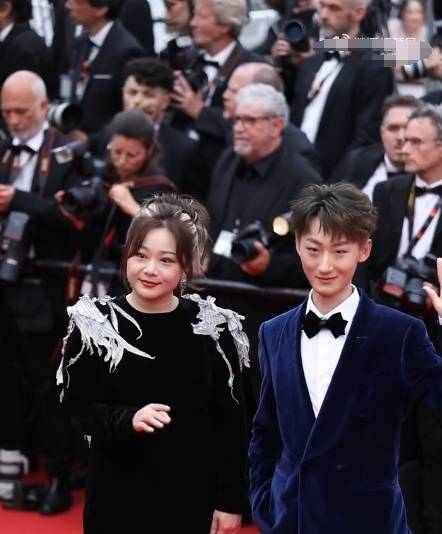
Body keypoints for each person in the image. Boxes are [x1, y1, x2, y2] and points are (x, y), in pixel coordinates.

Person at [249, 181, 442, 534]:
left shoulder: (399, 332)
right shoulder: (273, 332)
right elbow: (265, 432)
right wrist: (265, 504)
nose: (324, 265)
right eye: (313, 249)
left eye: (339, 251)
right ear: (297, 244)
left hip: (370, 522)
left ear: (364, 250)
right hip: (292, 521)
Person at [57, 192, 249, 534]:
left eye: (166, 260)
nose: (149, 270)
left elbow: (231, 423)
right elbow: (78, 409)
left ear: (186, 265)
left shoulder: (213, 328)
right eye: (141, 255)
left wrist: (230, 500)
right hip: (116, 495)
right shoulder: (96, 324)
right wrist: (128, 419)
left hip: (191, 495)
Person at [0, 70, 82, 514]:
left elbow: (76, 220)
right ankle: (13, 463)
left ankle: (59, 478)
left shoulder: (67, 152)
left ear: (44, 107)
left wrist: (18, 200)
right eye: (7, 112)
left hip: (45, 292)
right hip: (4, 286)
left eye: (22, 111)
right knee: (7, 380)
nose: (14, 120)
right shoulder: (3, 148)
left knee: (50, 387)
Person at [362, 104, 442, 534]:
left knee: (435, 440)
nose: (403, 147)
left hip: (437, 337)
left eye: (415, 141)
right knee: (390, 436)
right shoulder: (388, 191)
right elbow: (370, 260)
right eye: (402, 138)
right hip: (389, 331)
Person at [64, 109, 175, 297]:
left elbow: (167, 239)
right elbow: (92, 239)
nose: (122, 161)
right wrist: (77, 216)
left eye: (131, 155)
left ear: (149, 151)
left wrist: (133, 207)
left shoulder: (160, 189)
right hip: (95, 272)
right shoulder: (103, 179)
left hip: (134, 281)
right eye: (116, 152)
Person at [290, 0, 394, 180]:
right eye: (322, 6)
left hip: (335, 181)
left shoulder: (375, 66)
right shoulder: (312, 61)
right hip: (295, 174)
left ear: (358, 13)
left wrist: (335, 185)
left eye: (334, 8)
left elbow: (366, 138)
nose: (323, 15)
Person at [64, 0, 143, 136]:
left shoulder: (127, 51)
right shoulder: (80, 44)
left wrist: (93, 140)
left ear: (101, 9)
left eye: (77, 2)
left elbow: (128, 110)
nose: (68, 5)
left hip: (107, 142)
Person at [334, 94, 420, 199]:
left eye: (408, 128)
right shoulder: (357, 161)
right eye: (393, 128)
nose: (401, 137)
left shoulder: (431, 177)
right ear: (382, 133)